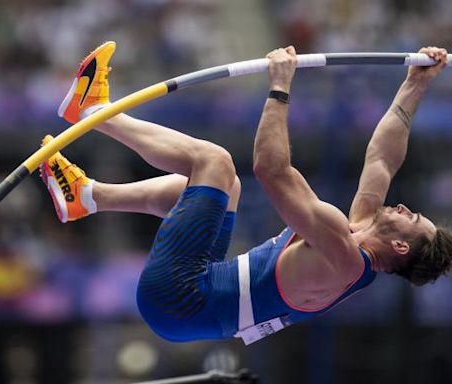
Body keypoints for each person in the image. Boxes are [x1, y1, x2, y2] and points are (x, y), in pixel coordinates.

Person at [40, 42, 452, 344]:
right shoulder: (357, 232)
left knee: (215, 163)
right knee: (226, 189)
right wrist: (415, 86)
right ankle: (88, 196)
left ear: (399, 246)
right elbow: (382, 158)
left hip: (181, 299)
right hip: (198, 296)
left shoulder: (342, 256)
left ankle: (91, 111)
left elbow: (271, 170)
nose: (402, 206)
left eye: (410, 216)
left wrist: (279, 87)